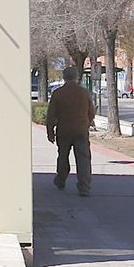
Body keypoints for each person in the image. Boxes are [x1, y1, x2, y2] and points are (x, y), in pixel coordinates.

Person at [45, 65, 97, 196]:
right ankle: (84, 187)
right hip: (81, 131)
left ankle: (61, 179)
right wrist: (86, 124)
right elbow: (91, 112)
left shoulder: (58, 93)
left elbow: (51, 115)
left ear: (64, 77)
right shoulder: (84, 93)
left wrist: (50, 131)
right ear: (76, 77)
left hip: (63, 130)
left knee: (63, 156)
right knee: (83, 159)